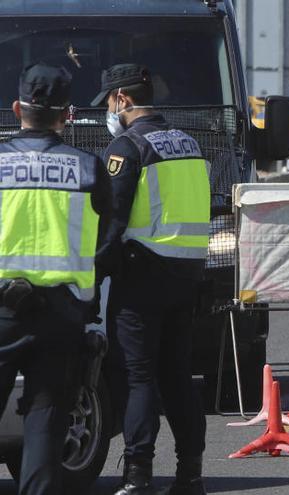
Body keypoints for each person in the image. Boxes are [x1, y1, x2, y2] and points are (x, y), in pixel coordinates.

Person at [92, 64, 211, 495]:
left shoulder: (128, 147)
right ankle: (190, 473)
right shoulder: (189, 143)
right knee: (177, 375)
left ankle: (138, 474)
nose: (108, 110)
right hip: (187, 275)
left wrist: (94, 275)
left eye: (108, 101)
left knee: (140, 377)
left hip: (142, 275)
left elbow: (111, 219)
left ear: (122, 99)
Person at [0, 63, 111, 494]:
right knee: (45, 427)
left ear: (16, 109)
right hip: (61, 315)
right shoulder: (87, 169)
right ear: (68, 114)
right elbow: (106, 239)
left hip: (2, 313)